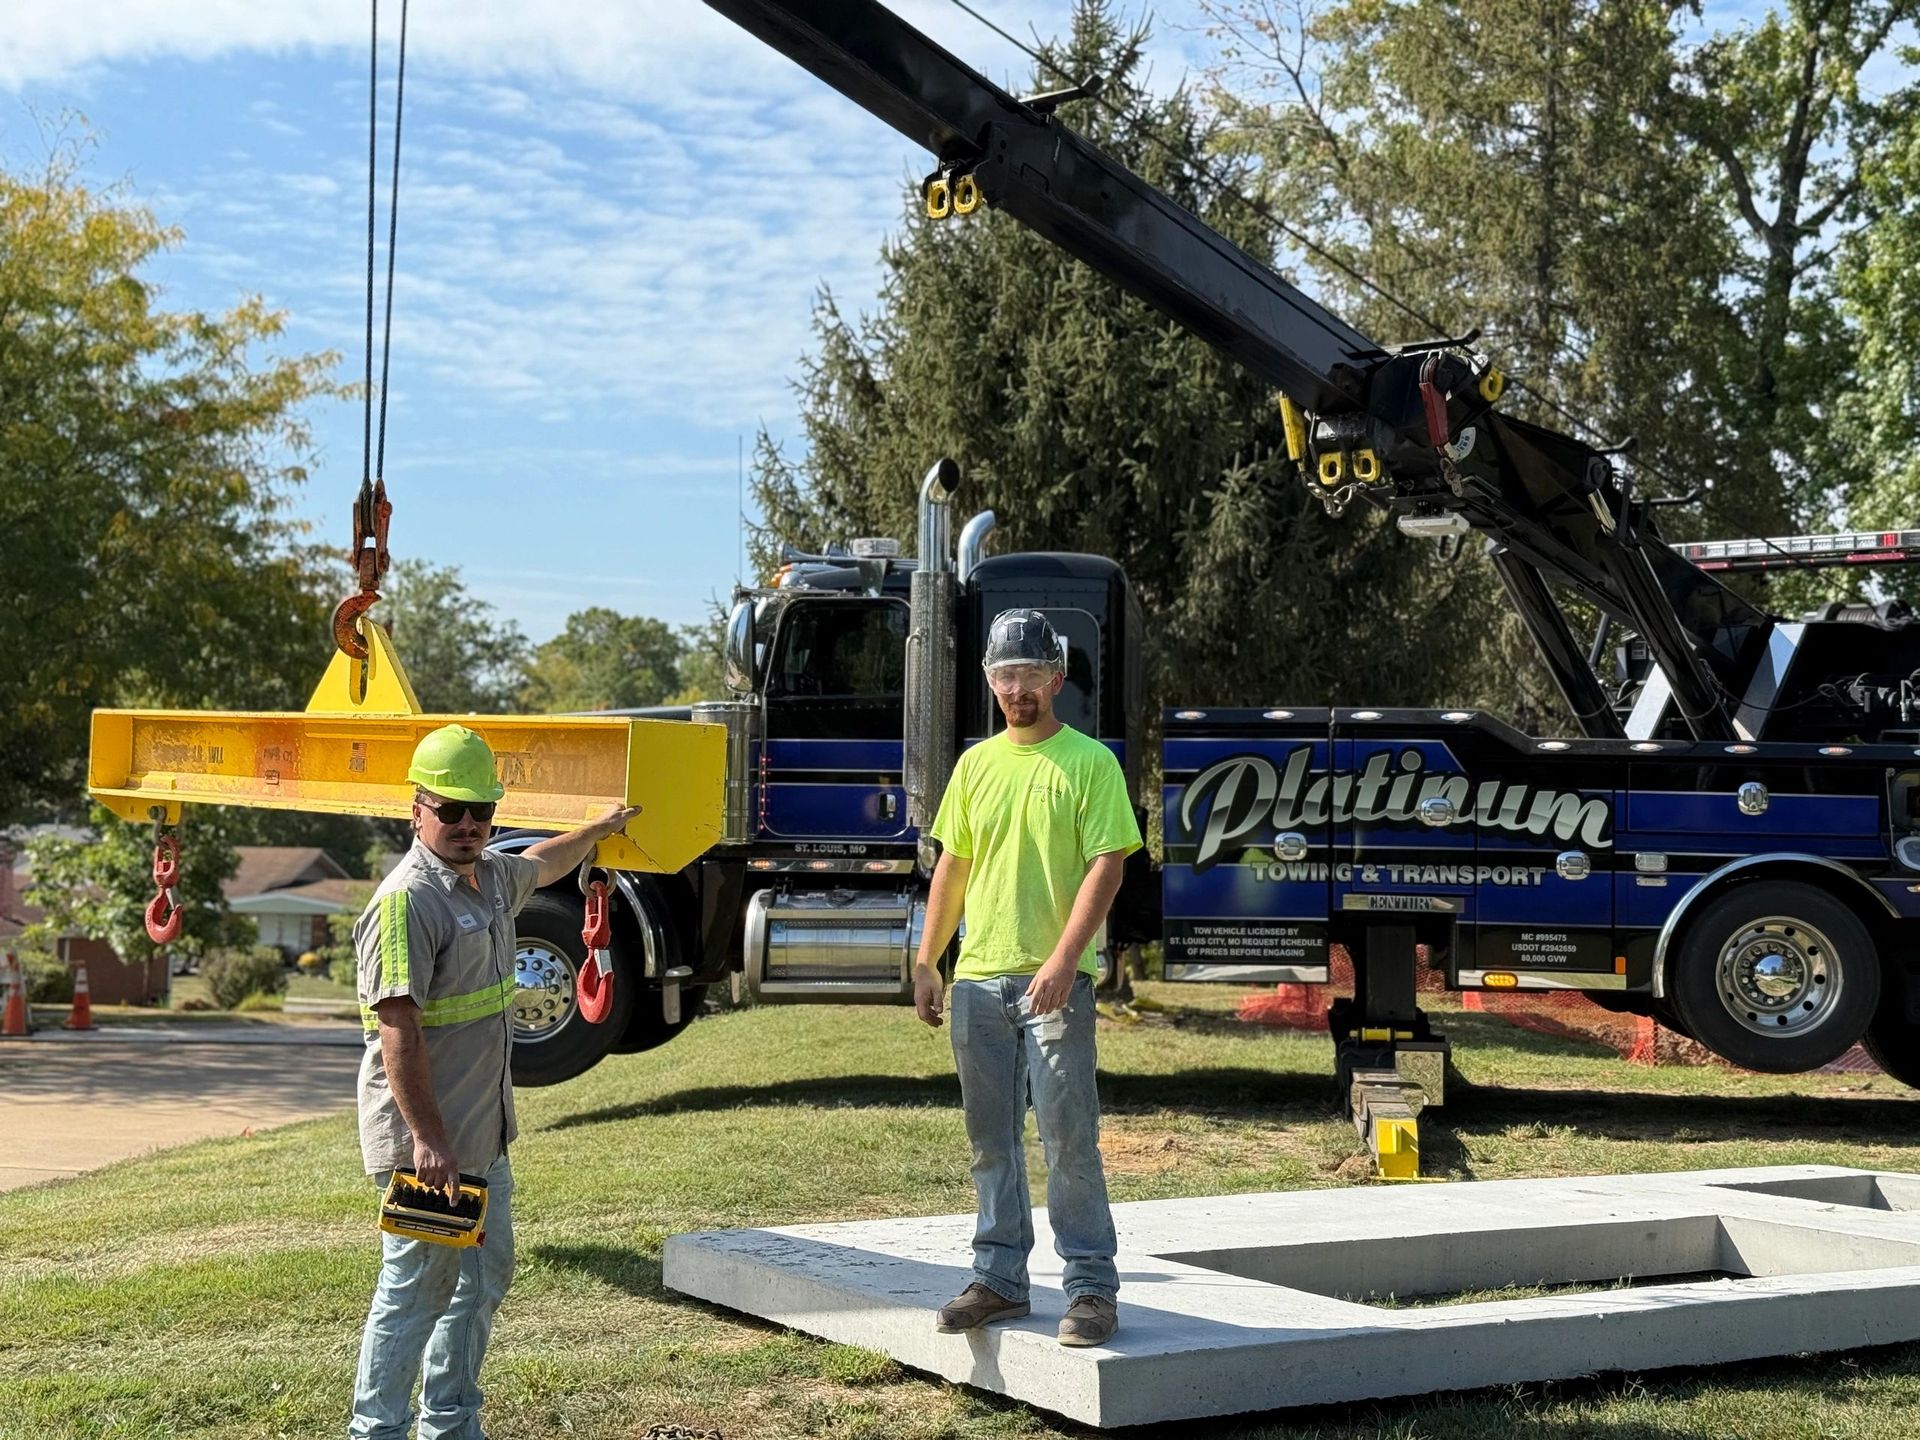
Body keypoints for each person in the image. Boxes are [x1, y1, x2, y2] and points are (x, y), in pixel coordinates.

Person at [348, 723, 637, 1440]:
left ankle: (450, 1423)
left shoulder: (488, 879)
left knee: (481, 1280)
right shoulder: (408, 901)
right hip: (432, 1144)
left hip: (483, 1136)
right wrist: (429, 1142)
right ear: (416, 810)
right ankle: (375, 1429)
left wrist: (600, 828)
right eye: (451, 810)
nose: (469, 824)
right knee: (416, 1292)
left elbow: (541, 862)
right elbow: (398, 1032)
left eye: (482, 812)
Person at [912, 609, 1143, 1348]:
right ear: (990, 680)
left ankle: (1091, 1291)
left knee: (1069, 1140)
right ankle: (1001, 1281)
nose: (1017, 688)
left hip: (1055, 985)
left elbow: (1109, 864)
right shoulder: (976, 766)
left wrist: (1066, 959)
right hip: (979, 982)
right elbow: (954, 866)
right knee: (991, 1142)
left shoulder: (1090, 763)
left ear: (1057, 679)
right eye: (1005, 675)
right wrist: (928, 961)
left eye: (1030, 675)